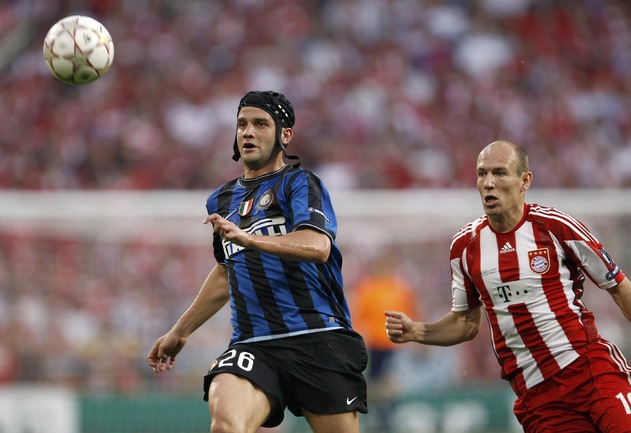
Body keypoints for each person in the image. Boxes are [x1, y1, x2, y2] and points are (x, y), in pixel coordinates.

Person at [147, 90, 368, 433]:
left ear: (285, 134)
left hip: (317, 336)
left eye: (261, 124)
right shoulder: (221, 200)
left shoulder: (300, 183)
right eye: (242, 124)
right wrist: (180, 331)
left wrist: (249, 239)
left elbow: (317, 245)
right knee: (225, 426)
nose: (248, 132)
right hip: (253, 344)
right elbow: (227, 271)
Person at [385, 140, 631, 432]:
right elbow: (466, 323)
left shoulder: (556, 227)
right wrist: (417, 331)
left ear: (524, 180)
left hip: (590, 371)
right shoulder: (465, 247)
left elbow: (618, 286)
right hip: (539, 396)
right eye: (482, 174)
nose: (488, 183)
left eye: (500, 173)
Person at [350, 251, 419, 433]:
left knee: (390, 382)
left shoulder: (400, 289)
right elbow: (359, 318)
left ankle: (387, 418)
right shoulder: (368, 290)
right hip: (375, 345)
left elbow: (411, 313)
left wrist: (414, 336)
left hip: (394, 344)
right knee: (376, 384)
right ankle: (381, 418)